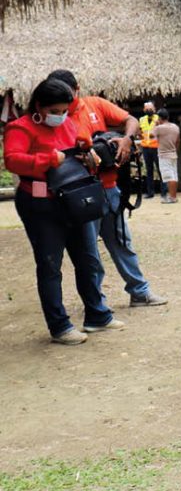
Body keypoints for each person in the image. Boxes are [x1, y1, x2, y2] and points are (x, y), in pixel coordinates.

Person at [3, 78, 122, 344]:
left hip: (73, 199)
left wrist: (86, 153)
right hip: (39, 203)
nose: (60, 116)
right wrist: (46, 159)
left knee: (87, 258)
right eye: (54, 111)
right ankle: (59, 326)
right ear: (38, 106)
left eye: (64, 111)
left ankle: (97, 315)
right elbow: (12, 160)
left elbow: (76, 152)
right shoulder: (19, 128)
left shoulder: (67, 123)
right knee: (50, 265)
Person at [47, 70, 167, 308]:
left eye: (67, 93)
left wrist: (126, 139)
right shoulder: (54, 118)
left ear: (77, 89)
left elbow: (130, 120)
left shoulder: (95, 104)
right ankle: (97, 304)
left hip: (110, 188)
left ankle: (139, 291)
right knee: (89, 252)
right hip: (80, 194)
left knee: (122, 242)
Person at [152, 108, 180, 203]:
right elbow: (178, 141)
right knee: (174, 176)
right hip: (173, 154)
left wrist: (155, 125)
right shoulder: (175, 127)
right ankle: (174, 196)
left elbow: (151, 136)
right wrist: (175, 150)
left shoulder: (159, 128)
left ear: (159, 118)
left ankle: (172, 197)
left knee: (169, 177)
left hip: (164, 155)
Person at [138, 102, 163, 198]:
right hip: (145, 147)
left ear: (154, 109)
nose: (149, 110)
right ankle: (150, 192)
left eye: (151, 108)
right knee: (149, 170)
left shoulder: (158, 118)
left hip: (156, 147)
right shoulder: (141, 119)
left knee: (160, 169)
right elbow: (140, 131)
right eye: (147, 108)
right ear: (144, 110)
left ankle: (164, 192)